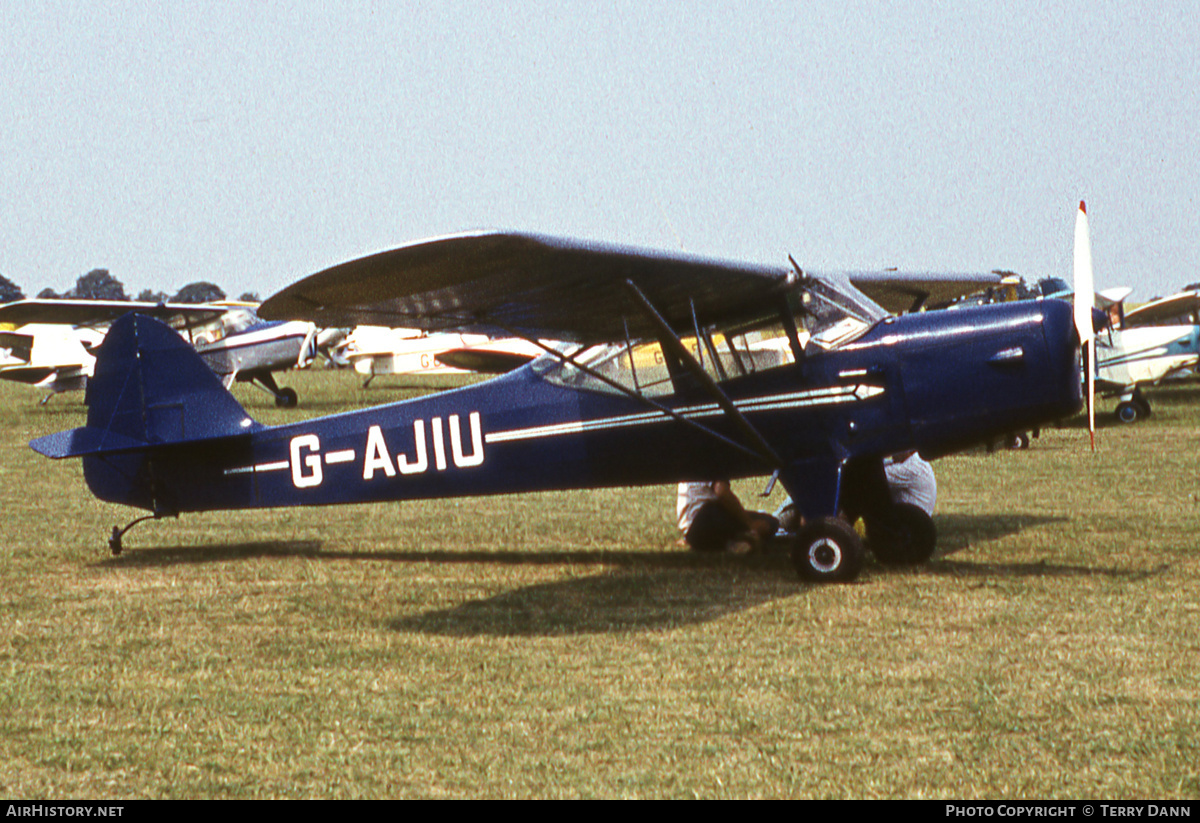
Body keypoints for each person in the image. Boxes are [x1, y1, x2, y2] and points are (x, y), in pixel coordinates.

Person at [677, 480, 779, 554]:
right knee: (714, 509)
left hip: (693, 532)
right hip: (705, 520)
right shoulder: (712, 458)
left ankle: (733, 543)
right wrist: (750, 523)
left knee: (771, 522)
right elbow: (722, 492)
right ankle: (744, 538)